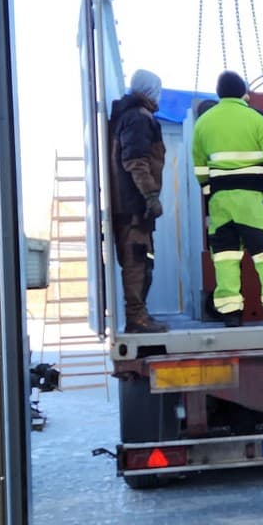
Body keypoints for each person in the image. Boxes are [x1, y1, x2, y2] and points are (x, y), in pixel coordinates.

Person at [192, 71, 263, 325]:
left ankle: (230, 314)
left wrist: (210, 193)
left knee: (225, 257)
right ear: (244, 93)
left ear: (219, 94)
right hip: (254, 201)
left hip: (220, 202)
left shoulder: (203, 123)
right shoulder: (260, 119)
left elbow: (200, 167)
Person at [108, 68, 167, 333]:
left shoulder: (128, 116)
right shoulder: (139, 118)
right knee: (136, 261)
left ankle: (139, 315)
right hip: (133, 206)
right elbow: (135, 161)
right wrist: (150, 196)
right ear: (150, 90)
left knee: (143, 261)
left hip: (130, 205)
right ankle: (137, 319)